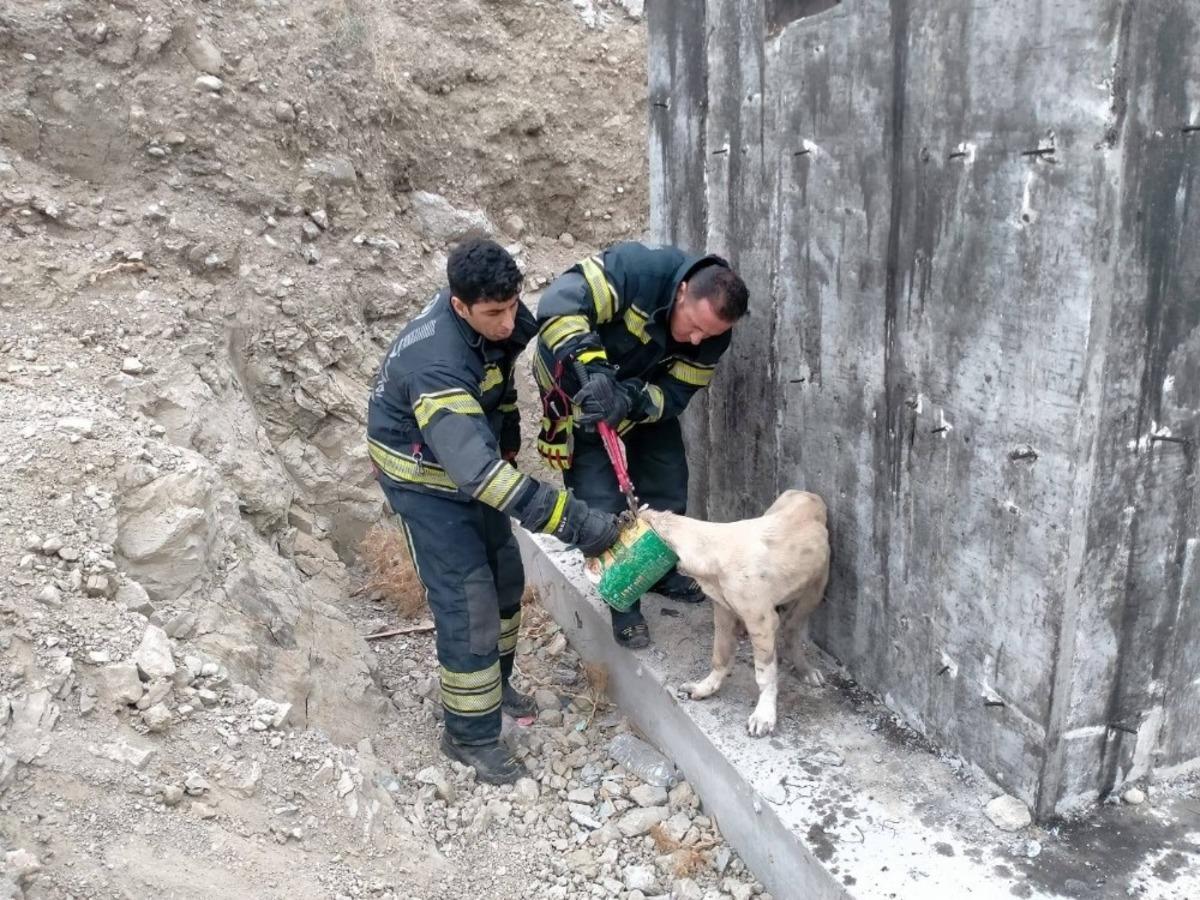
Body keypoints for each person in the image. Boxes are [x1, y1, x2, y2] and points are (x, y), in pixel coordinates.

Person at [367, 236, 621, 784]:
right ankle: (469, 736)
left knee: (505, 578)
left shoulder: (490, 321)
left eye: (512, 307)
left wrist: (508, 438)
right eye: (494, 314)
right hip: (423, 480)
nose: (509, 323)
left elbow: (498, 392)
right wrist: (574, 523)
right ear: (460, 306)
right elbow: (478, 475)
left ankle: (491, 686)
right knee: (469, 599)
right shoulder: (436, 364)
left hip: (465, 460)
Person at [532, 241, 749, 649]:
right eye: (694, 324)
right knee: (600, 500)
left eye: (711, 333)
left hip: (633, 397)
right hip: (580, 391)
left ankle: (661, 573)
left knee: (668, 479)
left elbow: (677, 392)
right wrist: (592, 370)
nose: (698, 338)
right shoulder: (637, 270)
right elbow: (561, 302)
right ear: (682, 290)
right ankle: (624, 601)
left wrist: (630, 400)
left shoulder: (713, 336)